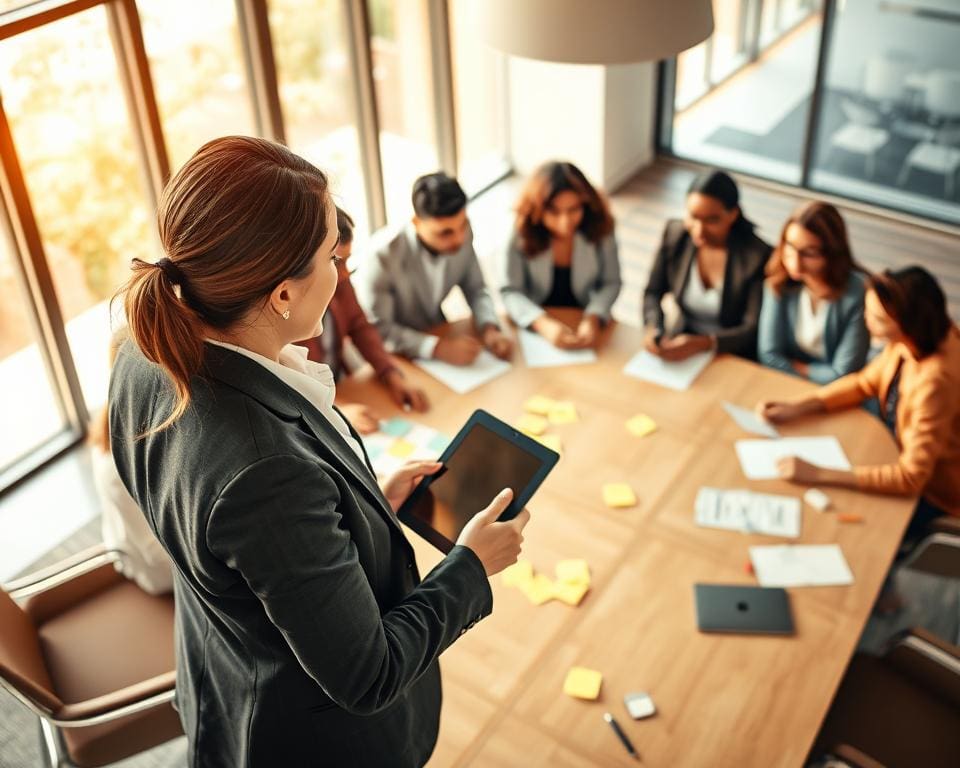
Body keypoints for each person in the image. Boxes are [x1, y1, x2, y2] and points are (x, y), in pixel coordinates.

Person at [109, 136, 530, 767]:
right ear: (282, 294)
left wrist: (359, 509)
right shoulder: (266, 472)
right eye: (335, 255)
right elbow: (367, 674)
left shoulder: (140, 353)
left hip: (221, 668)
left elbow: (233, 545)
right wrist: (470, 565)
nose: (344, 272)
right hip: (309, 736)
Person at [758, 267, 960, 539]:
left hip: (934, 491)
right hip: (895, 446)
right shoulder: (916, 339)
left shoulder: (935, 382)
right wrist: (801, 404)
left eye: (876, 317)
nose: (866, 320)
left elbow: (911, 478)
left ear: (905, 321)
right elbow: (865, 382)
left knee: (844, 530)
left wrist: (818, 473)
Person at [355, 172, 513, 365]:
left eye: (462, 226)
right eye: (445, 233)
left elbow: (476, 288)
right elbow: (379, 330)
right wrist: (437, 348)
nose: (458, 239)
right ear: (416, 222)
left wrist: (489, 328)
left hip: (439, 331)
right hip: (397, 357)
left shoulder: (462, 232)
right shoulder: (381, 257)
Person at [296, 207, 428, 434]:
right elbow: (288, 382)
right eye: (336, 262)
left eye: (347, 261)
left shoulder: (340, 282)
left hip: (339, 386)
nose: (346, 273)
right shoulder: (284, 314)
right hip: (310, 412)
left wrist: (390, 373)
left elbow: (359, 325)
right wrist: (336, 410)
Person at [642, 169, 771, 361]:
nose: (699, 230)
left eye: (712, 220)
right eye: (693, 217)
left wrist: (705, 343)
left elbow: (751, 328)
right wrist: (654, 328)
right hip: (682, 341)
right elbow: (652, 292)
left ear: (733, 215)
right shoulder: (675, 234)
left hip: (733, 353)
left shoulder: (758, 256)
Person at [89, 327, 174, 595]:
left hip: (131, 537)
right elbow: (154, 552)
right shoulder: (118, 464)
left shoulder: (110, 416)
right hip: (153, 569)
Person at [500, 161, 621, 348]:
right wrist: (543, 324)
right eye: (554, 212)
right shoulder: (522, 231)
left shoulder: (601, 226)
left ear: (585, 204)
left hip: (585, 317)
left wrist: (594, 317)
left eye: (573, 209)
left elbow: (611, 281)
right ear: (538, 210)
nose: (565, 222)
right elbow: (510, 290)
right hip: (534, 321)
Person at [758, 201, 869, 383]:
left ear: (832, 252)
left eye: (809, 253)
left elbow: (844, 374)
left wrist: (802, 368)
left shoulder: (859, 293)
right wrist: (816, 373)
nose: (795, 262)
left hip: (838, 394)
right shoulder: (779, 280)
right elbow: (769, 356)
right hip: (783, 383)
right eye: (790, 247)